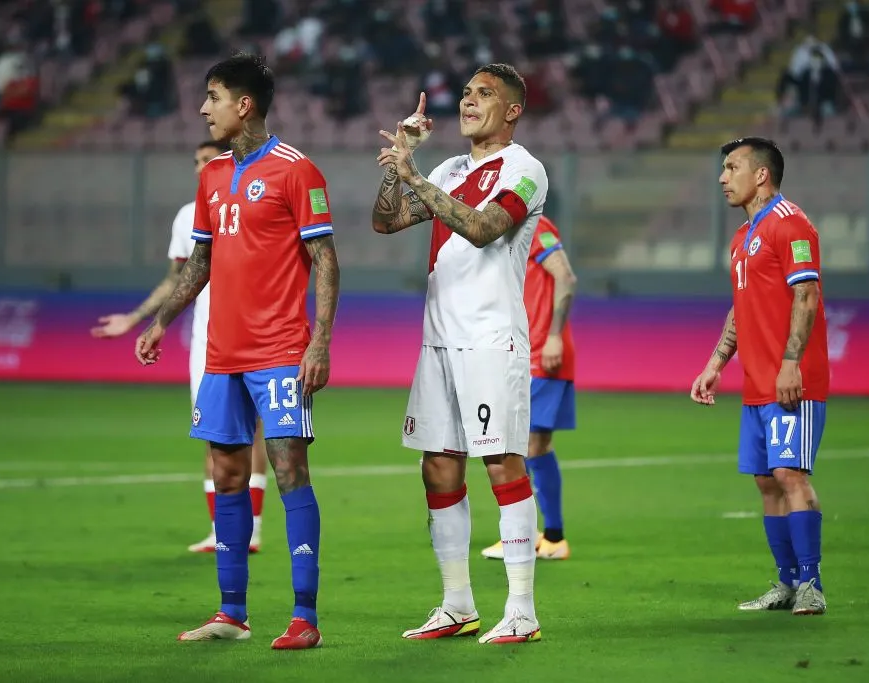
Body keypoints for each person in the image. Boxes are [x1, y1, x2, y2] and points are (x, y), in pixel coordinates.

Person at [135, 52, 341, 649]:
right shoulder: (210, 177)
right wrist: (161, 320)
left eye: (213, 97)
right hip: (222, 353)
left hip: (279, 350)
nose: (204, 109)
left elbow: (325, 260)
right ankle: (231, 612)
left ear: (243, 103)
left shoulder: (297, 171)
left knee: (287, 469)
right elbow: (199, 262)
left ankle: (305, 618)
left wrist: (319, 343)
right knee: (227, 473)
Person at [371, 63, 549, 644]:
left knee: (501, 462)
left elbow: (482, 228)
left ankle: (521, 609)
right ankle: (457, 604)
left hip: (491, 339)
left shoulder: (525, 171)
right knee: (438, 465)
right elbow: (386, 221)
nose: (469, 102)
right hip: (438, 339)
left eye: (485, 94)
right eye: (467, 93)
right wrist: (399, 166)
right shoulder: (449, 168)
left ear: (513, 111)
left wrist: (415, 177)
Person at [91, 140, 268, 555]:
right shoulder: (189, 216)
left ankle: (254, 528)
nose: (199, 168)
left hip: (259, 335)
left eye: (207, 160)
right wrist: (136, 320)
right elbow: (177, 279)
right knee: (215, 434)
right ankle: (224, 532)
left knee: (256, 432)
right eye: (195, 161)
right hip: (207, 340)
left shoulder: (258, 199)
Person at [690, 136, 828, 616]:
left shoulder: (791, 225)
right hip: (756, 384)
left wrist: (791, 361)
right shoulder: (741, 238)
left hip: (794, 380)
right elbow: (740, 307)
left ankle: (812, 585)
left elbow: (806, 295)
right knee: (767, 483)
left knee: (791, 474)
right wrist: (715, 363)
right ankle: (786, 584)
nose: (723, 178)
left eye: (731, 167)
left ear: (761, 174)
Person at [481, 215, 577, 561]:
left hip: (542, 353)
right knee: (524, 445)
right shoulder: (504, 232)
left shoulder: (538, 227)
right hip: (518, 352)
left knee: (529, 444)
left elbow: (565, 277)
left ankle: (547, 536)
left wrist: (553, 337)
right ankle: (536, 535)